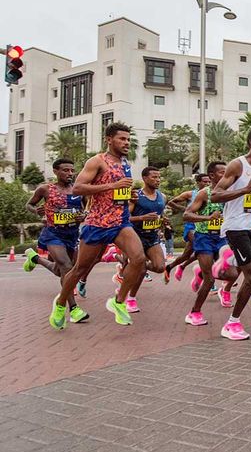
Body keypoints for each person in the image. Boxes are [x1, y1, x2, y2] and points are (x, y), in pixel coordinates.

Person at [48, 122, 144, 328]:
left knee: (139, 260)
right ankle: (61, 303)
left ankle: (118, 302)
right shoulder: (97, 161)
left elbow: (117, 194)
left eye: (128, 139)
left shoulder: (125, 163)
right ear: (109, 139)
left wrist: (129, 194)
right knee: (79, 269)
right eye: (122, 139)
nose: (126, 143)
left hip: (121, 221)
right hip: (98, 223)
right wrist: (113, 185)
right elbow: (78, 189)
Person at [210, 128, 251, 340]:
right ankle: (232, 323)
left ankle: (228, 259)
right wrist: (243, 190)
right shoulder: (238, 164)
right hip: (236, 227)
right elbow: (215, 195)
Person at [24, 159, 89, 321]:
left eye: (71, 170)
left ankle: (35, 258)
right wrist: (37, 211)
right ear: (55, 171)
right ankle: (73, 309)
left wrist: (84, 216)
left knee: (59, 271)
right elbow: (29, 204)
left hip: (72, 235)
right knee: (66, 267)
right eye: (65, 170)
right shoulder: (45, 189)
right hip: (53, 234)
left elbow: (88, 209)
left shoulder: (78, 190)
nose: (69, 174)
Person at [183, 161, 234, 326]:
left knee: (233, 274)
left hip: (222, 238)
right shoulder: (204, 194)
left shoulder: (229, 192)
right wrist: (207, 218)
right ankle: (194, 312)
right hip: (204, 237)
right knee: (209, 280)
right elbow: (187, 215)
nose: (226, 175)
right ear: (212, 175)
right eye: (222, 172)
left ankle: (207, 271)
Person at [120, 167, 167, 313]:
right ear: (145, 179)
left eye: (159, 177)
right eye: (154, 177)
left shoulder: (162, 196)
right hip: (135, 237)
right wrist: (142, 218)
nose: (157, 180)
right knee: (139, 269)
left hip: (152, 237)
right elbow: (124, 218)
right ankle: (131, 299)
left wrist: (162, 222)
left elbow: (160, 215)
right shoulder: (136, 196)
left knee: (160, 267)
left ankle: (128, 268)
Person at [164, 173, 210, 281]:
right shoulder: (190, 194)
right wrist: (185, 210)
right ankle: (206, 278)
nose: (207, 183)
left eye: (209, 181)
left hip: (205, 227)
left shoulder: (212, 194)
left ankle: (172, 267)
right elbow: (171, 202)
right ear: (198, 183)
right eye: (204, 181)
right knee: (203, 249)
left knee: (186, 255)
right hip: (191, 226)